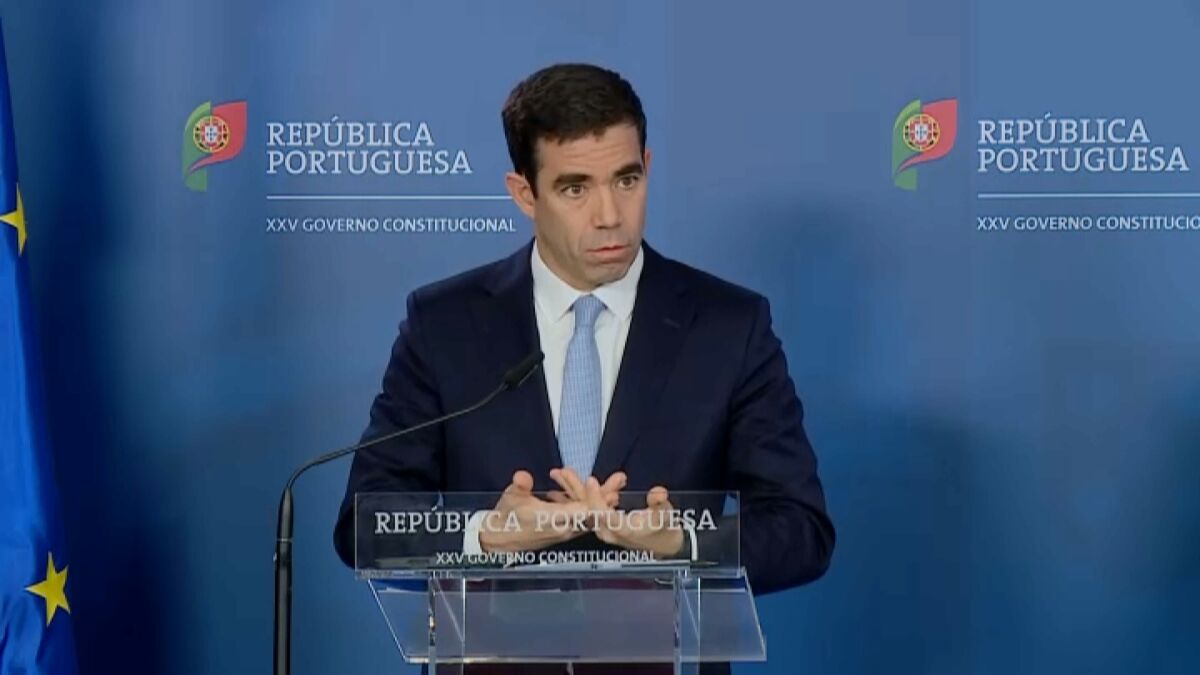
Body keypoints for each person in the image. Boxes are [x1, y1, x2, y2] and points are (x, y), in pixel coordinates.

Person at [334, 63, 835, 674]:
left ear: (647, 166)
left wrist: (683, 543)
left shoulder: (728, 326)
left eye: (626, 179)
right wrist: (484, 534)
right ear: (524, 193)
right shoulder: (445, 325)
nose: (609, 215)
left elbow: (801, 530)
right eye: (575, 189)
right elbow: (366, 523)